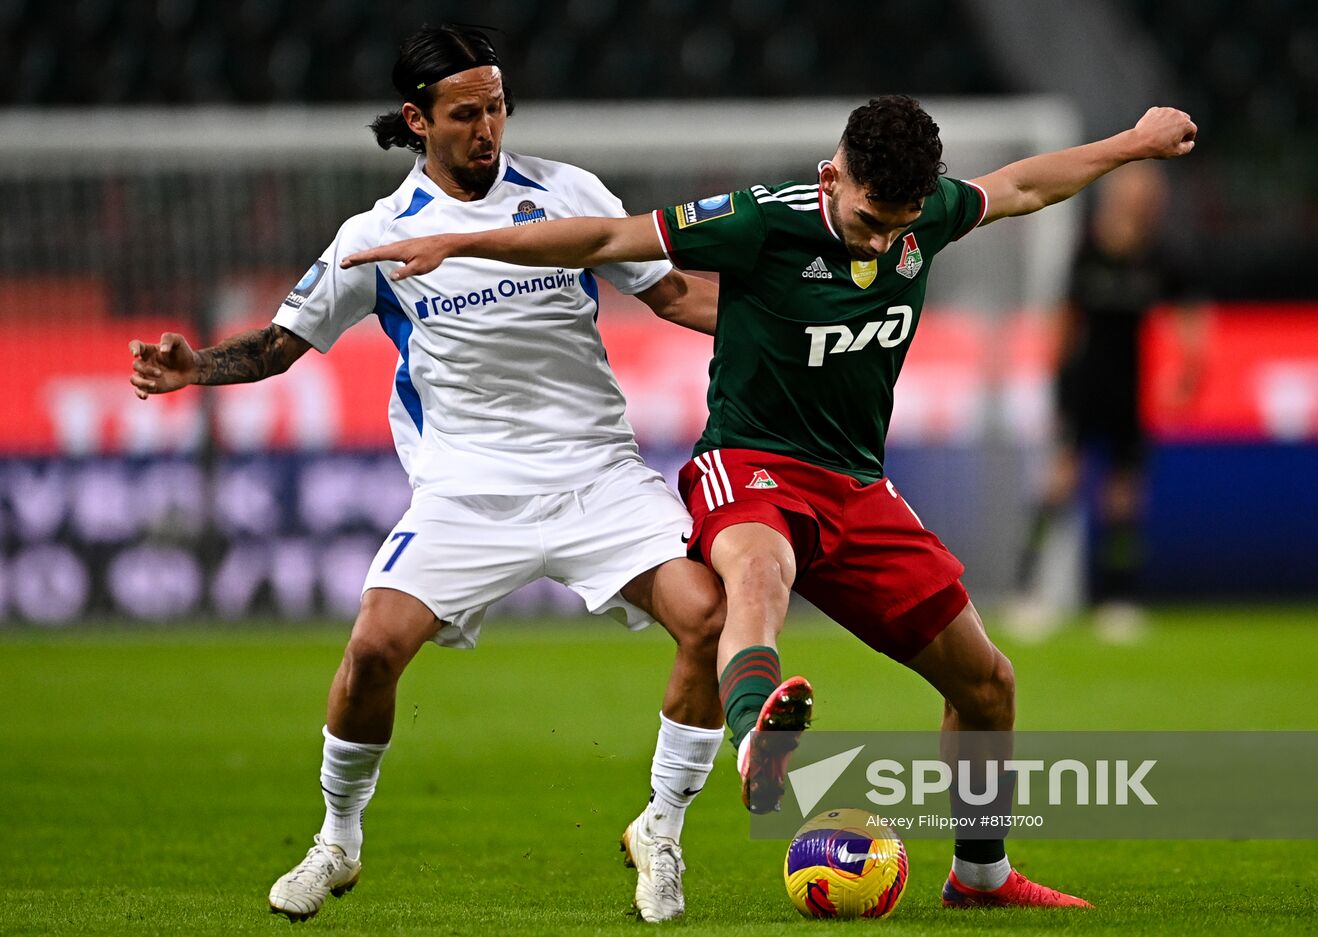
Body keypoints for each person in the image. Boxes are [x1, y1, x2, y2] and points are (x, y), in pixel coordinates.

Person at [343, 94, 1197, 909]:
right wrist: (464, 243)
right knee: (758, 576)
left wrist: (1132, 143)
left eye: (898, 225)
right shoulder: (761, 218)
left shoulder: (925, 214)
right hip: (751, 465)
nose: (881, 242)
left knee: (987, 683)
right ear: (833, 176)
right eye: (869, 219)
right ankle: (757, 734)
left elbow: (1024, 185)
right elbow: (608, 235)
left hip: (856, 485)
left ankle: (980, 874)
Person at [128, 25, 729, 925]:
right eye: (465, 113)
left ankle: (662, 829)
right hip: (465, 492)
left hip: (596, 476)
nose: (488, 128)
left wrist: (796, 320)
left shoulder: (569, 194)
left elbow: (675, 293)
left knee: (707, 616)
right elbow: (281, 345)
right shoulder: (377, 236)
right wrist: (195, 369)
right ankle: (337, 840)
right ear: (418, 120)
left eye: (497, 107)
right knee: (373, 648)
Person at [1010, 161, 1206, 642]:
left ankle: (1119, 599)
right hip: (1085, 384)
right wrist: (1056, 384)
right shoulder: (1089, 250)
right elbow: (1066, 321)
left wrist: (1190, 371)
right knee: (1060, 485)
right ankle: (1027, 592)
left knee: (1123, 496)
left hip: (1130, 389)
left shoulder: (1161, 256)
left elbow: (1190, 314)